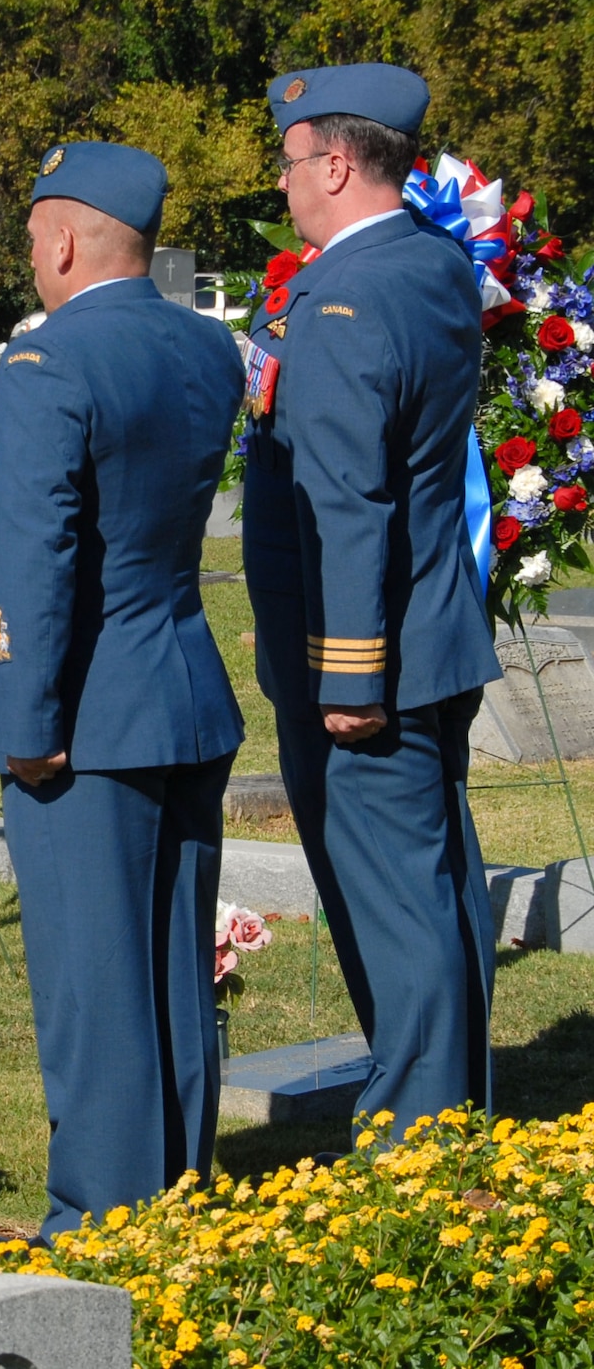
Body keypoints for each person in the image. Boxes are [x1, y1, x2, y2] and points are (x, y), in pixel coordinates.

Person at [0, 141, 245, 1240]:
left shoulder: (47, 367)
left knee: (93, 985)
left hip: (88, 713)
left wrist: (25, 726)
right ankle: (176, 1195)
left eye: (37, 235)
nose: (33, 255)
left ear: (65, 240)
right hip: (181, 685)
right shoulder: (204, 349)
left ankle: (96, 1219)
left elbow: (35, 567)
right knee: (175, 970)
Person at [242, 64, 500, 1131]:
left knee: (395, 911)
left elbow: (348, 496)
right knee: (429, 896)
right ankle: (452, 1117)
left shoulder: (343, 295)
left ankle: (416, 1149)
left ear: (336, 163)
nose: (286, 182)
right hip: (431, 627)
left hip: (362, 656)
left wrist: (347, 671)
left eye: (292, 161)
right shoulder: (428, 266)